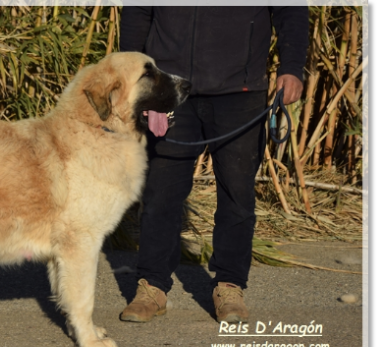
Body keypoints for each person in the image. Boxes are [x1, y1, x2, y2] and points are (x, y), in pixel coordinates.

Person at [119, 6, 309, 323]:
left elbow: (291, 10)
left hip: (241, 90)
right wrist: (134, 78)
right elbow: (138, 12)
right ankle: (152, 286)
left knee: (237, 194)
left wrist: (291, 67)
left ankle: (229, 286)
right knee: (160, 193)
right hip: (169, 87)